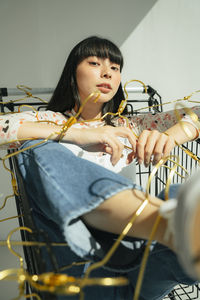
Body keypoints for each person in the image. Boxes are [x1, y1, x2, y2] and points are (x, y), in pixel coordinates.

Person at [1, 36, 200, 300]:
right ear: (73, 73)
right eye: (95, 62)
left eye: (115, 68)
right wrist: (72, 133)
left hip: (140, 270)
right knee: (36, 144)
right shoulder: (48, 121)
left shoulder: (130, 126)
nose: (107, 71)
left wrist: (171, 136)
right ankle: (165, 221)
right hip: (76, 270)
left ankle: (170, 222)